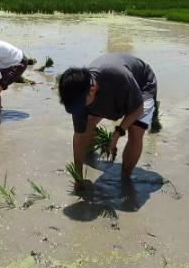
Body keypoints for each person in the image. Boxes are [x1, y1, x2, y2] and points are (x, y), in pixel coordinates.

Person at [58, 54, 158, 183]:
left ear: (92, 89)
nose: (79, 109)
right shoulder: (77, 95)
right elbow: (78, 137)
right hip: (108, 96)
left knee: (135, 131)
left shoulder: (118, 77)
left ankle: (125, 178)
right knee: (87, 124)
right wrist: (78, 178)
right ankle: (90, 157)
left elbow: (138, 109)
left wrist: (117, 134)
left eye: (81, 105)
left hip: (142, 85)